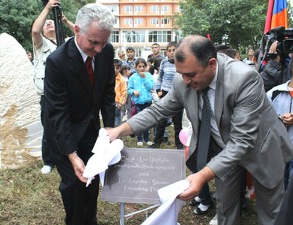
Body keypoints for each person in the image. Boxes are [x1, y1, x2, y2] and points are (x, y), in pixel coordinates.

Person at [106, 35, 293, 225]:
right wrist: (118, 130)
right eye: (182, 74)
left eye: (191, 75)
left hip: (261, 148)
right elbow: (158, 111)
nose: (185, 81)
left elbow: (242, 141)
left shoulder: (244, 78)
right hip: (224, 151)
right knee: (225, 209)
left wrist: (202, 176)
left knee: (272, 214)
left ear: (212, 64)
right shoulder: (183, 79)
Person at [43, 3, 115, 225]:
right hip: (63, 132)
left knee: (92, 180)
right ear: (76, 30)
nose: (99, 49)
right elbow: (57, 113)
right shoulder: (57, 61)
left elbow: (107, 93)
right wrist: (72, 155)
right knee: (74, 184)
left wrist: (110, 131)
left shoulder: (106, 51)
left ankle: (90, 220)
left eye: (103, 42)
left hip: (91, 130)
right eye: (93, 42)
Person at [32, 0, 74, 175]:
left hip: (68, 93)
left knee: (68, 125)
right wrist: (48, 8)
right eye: (46, 23)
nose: (49, 23)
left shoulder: (68, 43)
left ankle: (68, 154)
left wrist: (65, 21)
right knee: (48, 127)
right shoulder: (41, 45)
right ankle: (48, 161)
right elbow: (35, 30)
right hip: (48, 95)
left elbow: (82, 34)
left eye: (52, 21)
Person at [150, 41, 184, 150]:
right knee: (161, 120)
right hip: (164, 93)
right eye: (169, 51)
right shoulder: (164, 62)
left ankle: (179, 145)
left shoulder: (182, 62)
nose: (172, 53)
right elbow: (160, 77)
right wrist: (159, 90)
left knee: (177, 122)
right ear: (166, 52)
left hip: (178, 94)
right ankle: (157, 142)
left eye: (174, 50)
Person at [267, 58, 293, 190]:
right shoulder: (274, 93)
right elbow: (262, 118)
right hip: (278, 149)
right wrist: (279, 119)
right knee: (279, 185)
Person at [128, 58, 154, 146]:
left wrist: (145, 78)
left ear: (146, 67)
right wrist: (133, 92)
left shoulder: (149, 75)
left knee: (146, 121)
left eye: (143, 66)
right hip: (138, 103)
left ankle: (146, 139)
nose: (141, 68)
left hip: (147, 102)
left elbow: (150, 87)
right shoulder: (132, 77)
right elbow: (129, 89)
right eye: (139, 66)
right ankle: (139, 138)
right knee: (139, 121)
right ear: (135, 67)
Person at [114, 59, 127, 127]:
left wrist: (121, 103)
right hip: (108, 104)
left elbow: (124, 92)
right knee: (108, 123)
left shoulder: (121, 80)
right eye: (113, 67)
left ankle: (118, 136)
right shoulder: (107, 78)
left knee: (117, 122)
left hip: (117, 104)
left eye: (117, 68)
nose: (115, 69)